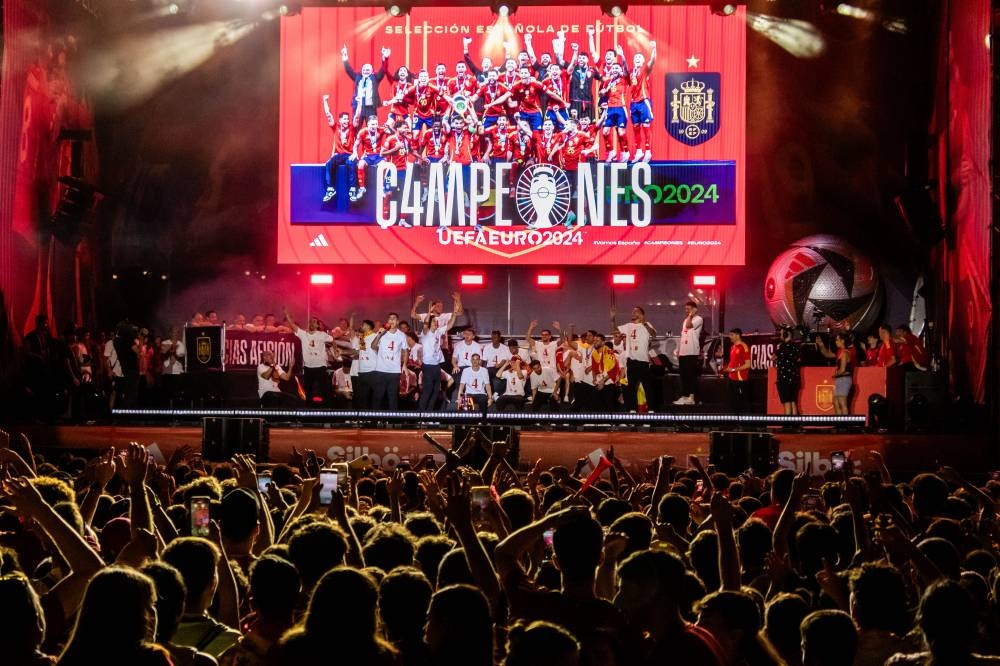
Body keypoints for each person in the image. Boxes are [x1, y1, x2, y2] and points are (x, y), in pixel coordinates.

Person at [57, 566, 173, 666]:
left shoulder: (71, 659)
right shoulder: (152, 660)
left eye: (153, 604)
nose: (153, 613)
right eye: (146, 604)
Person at [284, 308, 333, 406]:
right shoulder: (303, 334)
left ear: (317, 325)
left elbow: (332, 340)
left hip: (320, 366)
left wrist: (335, 349)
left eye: (314, 322)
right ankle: (308, 409)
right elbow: (293, 326)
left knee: (324, 389)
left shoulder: (322, 334)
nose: (312, 323)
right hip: (308, 367)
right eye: (311, 321)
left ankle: (327, 410)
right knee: (308, 389)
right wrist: (287, 315)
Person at [612, 306, 656, 412]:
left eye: (635, 312)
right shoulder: (628, 325)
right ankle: (632, 409)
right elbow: (615, 330)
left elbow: (653, 335)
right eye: (632, 312)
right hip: (631, 361)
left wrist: (644, 322)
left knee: (647, 387)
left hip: (643, 361)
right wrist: (612, 319)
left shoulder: (646, 324)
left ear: (641, 314)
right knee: (630, 387)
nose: (633, 313)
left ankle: (652, 409)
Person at [341, 44, 389, 125]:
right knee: (355, 127)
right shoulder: (357, 77)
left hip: (370, 107)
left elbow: (383, 70)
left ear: (372, 71)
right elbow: (348, 69)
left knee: (372, 127)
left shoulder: (375, 78)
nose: (365, 71)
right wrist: (345, 57)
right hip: (358, 107)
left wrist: (385, 58)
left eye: (368, 70)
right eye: (364, 69)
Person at [371, 313, 409, 410]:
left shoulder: (401, 335)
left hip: (394, 371)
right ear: (387, 321)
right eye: (390, 318)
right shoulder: (382, 333)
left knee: (393, 398)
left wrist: (404, 365)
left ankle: (392, 421)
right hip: (381, 370)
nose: (391, 320)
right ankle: (375, 420)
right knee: (378, 397)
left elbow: (405, 350)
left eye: (394, 318)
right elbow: (373, 346)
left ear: (397, 322)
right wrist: (379, 334)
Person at [417, 314, 449, 412]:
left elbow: (450, 325)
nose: (436, 323)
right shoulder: (425, 333)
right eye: (434, 321)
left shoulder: (438, 332)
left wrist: (455, 314)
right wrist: (429, 312)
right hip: (427, 365)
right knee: (428, 389)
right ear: (430, 323)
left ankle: (429, 412)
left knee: (436, 390)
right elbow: (425, 324)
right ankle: (420, 413)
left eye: (436, 321)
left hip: (436, 365)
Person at [674, 301, 703, 405]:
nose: (687, 311)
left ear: (695, 309)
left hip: (692, 351)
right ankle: (685, 396)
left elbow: (689, 325)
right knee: (684, 375)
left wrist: (691, 315)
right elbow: (683, 335)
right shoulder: (686, 319)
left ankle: (692, 396)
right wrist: (679, 349)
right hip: (683, 352)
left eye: (689, 309)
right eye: (686, 309)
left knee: (691, 375)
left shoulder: (698, 319)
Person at [817, 333, 853, 415]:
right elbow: (827, 354)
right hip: (840, 379)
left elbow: (842, 370)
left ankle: (845, 425)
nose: (836, 342)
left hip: (844, 379)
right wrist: (821, 345)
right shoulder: (840, 352)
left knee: (842, 403)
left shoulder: (845, 353)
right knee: (835, 402)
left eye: (837, 340)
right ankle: (839, 424)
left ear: (842, 341)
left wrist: (834, 375)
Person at [770, 327, 801, 415]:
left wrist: (778, 363)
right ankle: (795, 424)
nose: (780, 336)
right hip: (795, 378)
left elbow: (772, 358)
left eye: (781, 334)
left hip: (784, 379)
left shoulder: (782, 347)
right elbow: (799, 360)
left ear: (786, 335)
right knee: (793, 402)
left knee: (787, 402)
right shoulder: (796, 346)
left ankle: (787, 424)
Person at [721, 328, 751, 413]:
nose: (730, 337)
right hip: (731, 378)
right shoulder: (732, 347)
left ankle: (746, 422)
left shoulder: (743, 347)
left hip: (740, 379)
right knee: (732, 401)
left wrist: (733, 369)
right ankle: (735, 421)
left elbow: (748, 365)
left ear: (738, 335)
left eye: (732, 335)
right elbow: (733, 362)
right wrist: (727, 368)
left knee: (743, 402)